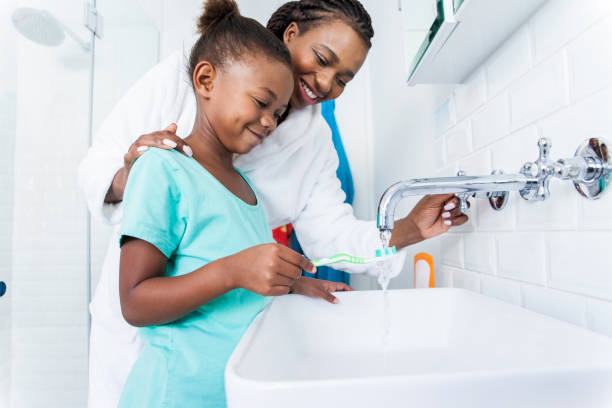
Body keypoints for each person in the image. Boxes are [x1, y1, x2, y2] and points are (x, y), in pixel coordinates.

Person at [78, 0, 468, 406]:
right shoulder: (195, 74)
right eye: (322, 59)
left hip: (215, 357)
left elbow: (325, 237)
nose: (324, 83)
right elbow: (97, 166)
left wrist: (409, 229)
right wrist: (136, 175)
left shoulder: (310, 147)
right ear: (291, 33)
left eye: (343, 79)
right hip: (148, 344)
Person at [118, 1, 305, 405]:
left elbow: (242, 297)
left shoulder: (247, 192)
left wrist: (294, 284)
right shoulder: (164, 169)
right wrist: (234, 270)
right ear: (206, 80)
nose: (270, 121)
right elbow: (134, 301)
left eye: (279, 112)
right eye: (261, 102)